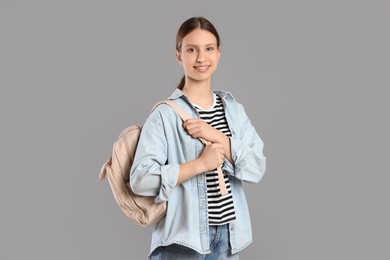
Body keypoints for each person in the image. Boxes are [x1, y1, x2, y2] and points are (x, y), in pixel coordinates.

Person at [130, 16, 266, 260]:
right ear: (179, 55)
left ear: (219, 53)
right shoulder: (165, 115)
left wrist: (215, 136)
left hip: (228, 240)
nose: (201, 58)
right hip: (182, 241)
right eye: (191, 50)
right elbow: (140, 179)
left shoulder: (234, 111)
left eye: (209, 49)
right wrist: (199, 165)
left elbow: (257, 167)